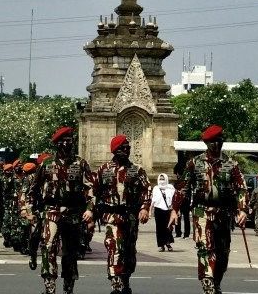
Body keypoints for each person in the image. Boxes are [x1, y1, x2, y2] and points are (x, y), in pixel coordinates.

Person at [169, 124, 248, 294]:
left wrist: (242, 210)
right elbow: (182, 188)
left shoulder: (231, 164)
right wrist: (174, 210)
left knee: (222, 254)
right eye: (213, 142)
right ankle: (208, 285)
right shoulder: (194, 163)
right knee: (205, 248)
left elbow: (241, 188)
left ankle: (216, 281)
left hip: (224, 214)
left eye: (219, 141)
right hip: (202, 212)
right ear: (207, 143)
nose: (217, 145)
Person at [28, 126, 95, 294]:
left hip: (73, 213)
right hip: (51, 211)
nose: (68, 144)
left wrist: (90, 209)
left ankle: (69, 285)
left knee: (70, 252)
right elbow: (33, 189)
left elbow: (90, 188)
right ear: (57, 144)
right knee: (48, 246)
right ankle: (49, 286)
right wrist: (31, 210)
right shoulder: (47, 163)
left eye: (70, 140)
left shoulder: (80, 163)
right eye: (64, 141)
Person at [95, 135, 151, 294]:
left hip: (131, 217)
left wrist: (144, 208)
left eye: (128, 148)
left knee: (129, 252)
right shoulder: (104, 169)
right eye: (123, 148)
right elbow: (94, 192)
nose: (127, 150)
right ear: (115, 150)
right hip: (112, 217)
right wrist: (90, 213)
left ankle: (125, 282)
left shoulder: (137, 170)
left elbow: (146, 189)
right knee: (115, 249)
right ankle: (117, 286)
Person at [151, 173, 175, 252]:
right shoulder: (156, 188)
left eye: (163, 179)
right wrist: (150, 210)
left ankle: (168, 243)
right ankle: (161, 245)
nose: (162, 181)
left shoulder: (170, 188)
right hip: (158, 209)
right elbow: (153, 200)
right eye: (160, 179)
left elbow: (174, 199)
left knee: (168, 227)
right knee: (159, 228)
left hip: (168, 210)